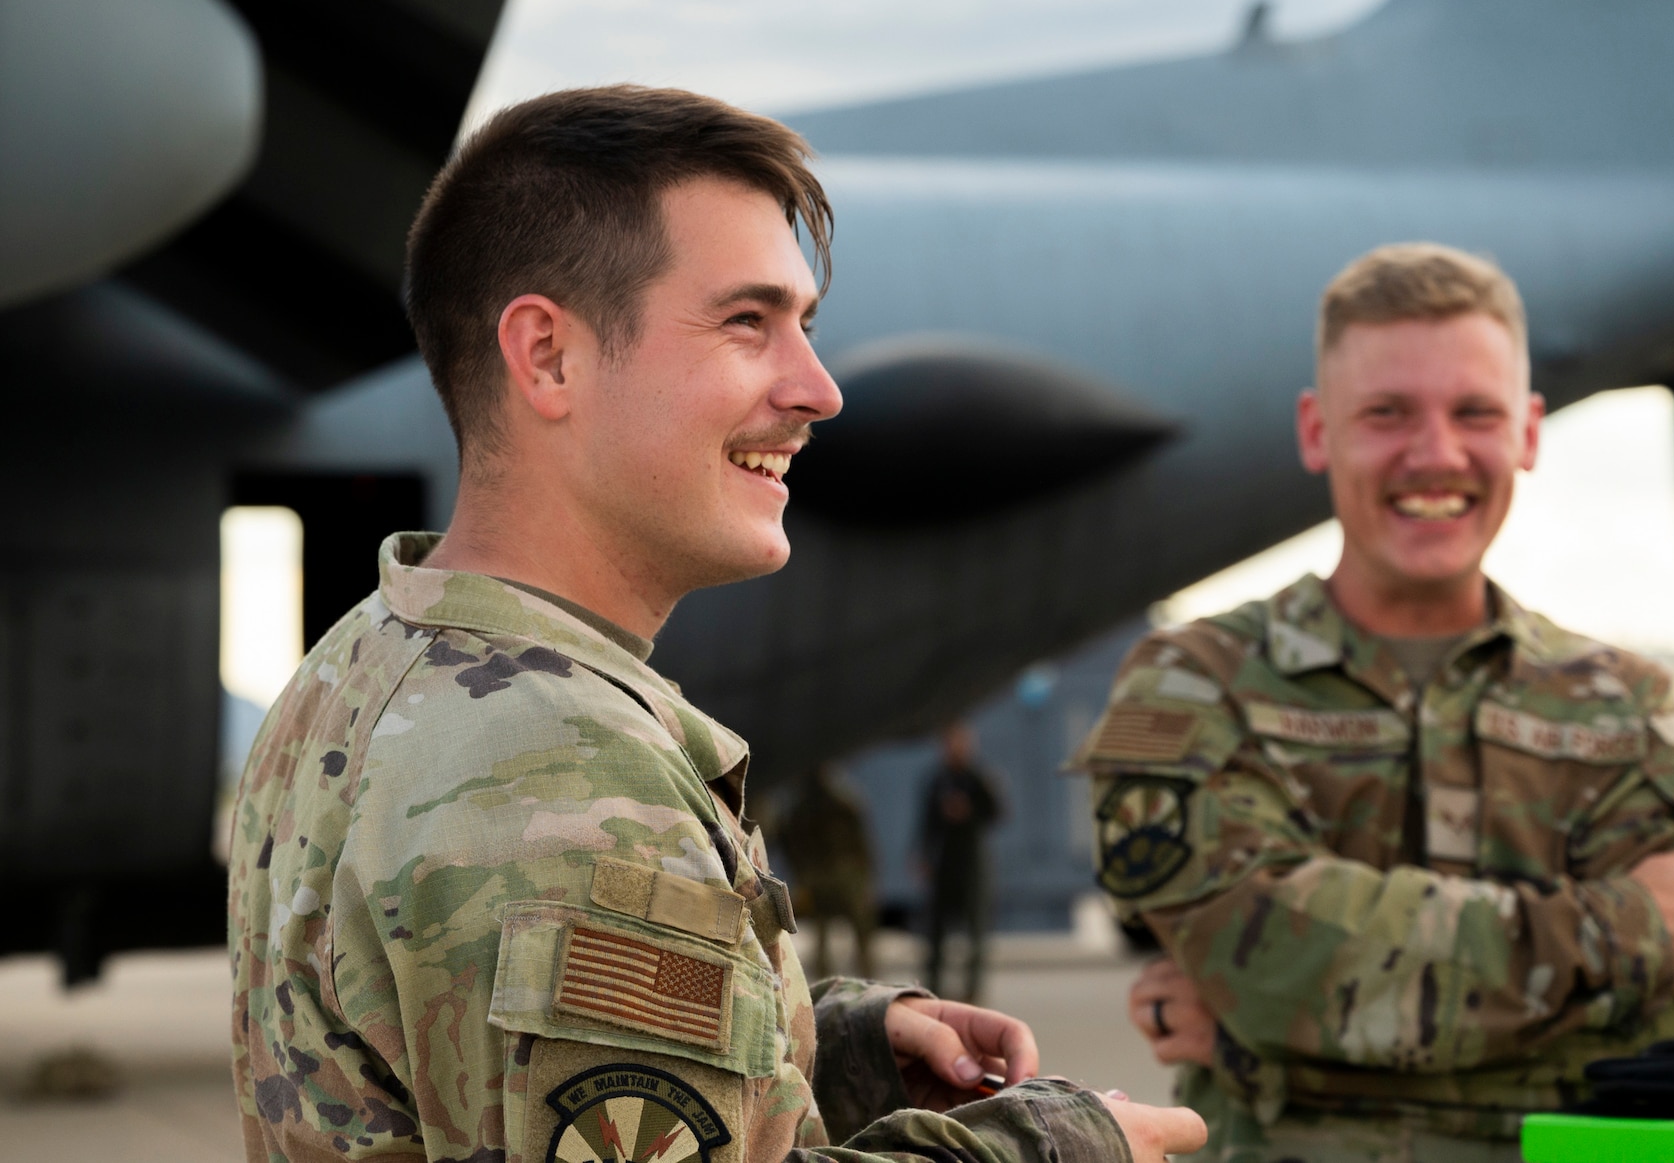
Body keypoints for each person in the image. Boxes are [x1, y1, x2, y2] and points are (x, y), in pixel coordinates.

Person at [225, 86, 1205, 1163]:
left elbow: (467, 1073)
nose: (819, 389)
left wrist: (837, 1046)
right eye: (747, 321)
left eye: (805, 326)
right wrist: (1059, 1143)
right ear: (548, 355)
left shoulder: (367, 663)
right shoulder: (558, 772)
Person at [1068, 243, 1674, 1163]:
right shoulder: (1196, 680)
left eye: (1476, 412)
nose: (1436, 454)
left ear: (1529, 432)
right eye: (1387, 414)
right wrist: (1624, 931)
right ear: (1317, 431)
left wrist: (1274, 1030)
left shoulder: (1625, 704)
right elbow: (1268, 966)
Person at [915, 722, 1006, 1003]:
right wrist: (923, 856)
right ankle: (932, 988)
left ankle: (973, 990)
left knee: (975, 931)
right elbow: (927, 822)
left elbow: (997, 812)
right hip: (945, 863)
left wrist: (969, 809)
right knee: (936, 932)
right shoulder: (938, 779)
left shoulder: (978, 777)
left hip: (972, 864)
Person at [778, 764, 880, 981]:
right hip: (838, 878)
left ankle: (830, 985)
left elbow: (790, 845)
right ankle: (860, 982)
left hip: (829, 878)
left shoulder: (803, 807)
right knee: (844, 935)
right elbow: (862, 845)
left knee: (833, 935)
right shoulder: (840, 802)